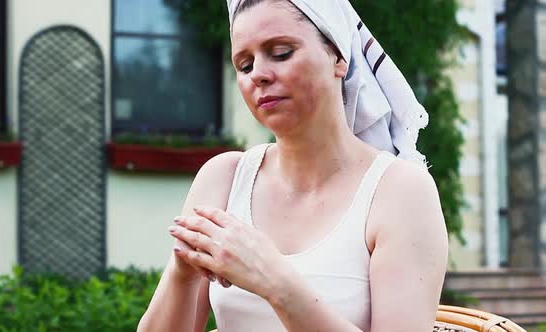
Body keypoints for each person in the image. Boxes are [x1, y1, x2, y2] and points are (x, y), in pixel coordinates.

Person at [137, 0, 448, 331]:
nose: (258, 74)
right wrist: (182, 273)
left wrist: (276, 282)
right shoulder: (224, 178)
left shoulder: (401, 192)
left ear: (339, 57)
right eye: (244, 66)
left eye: (281, 52)